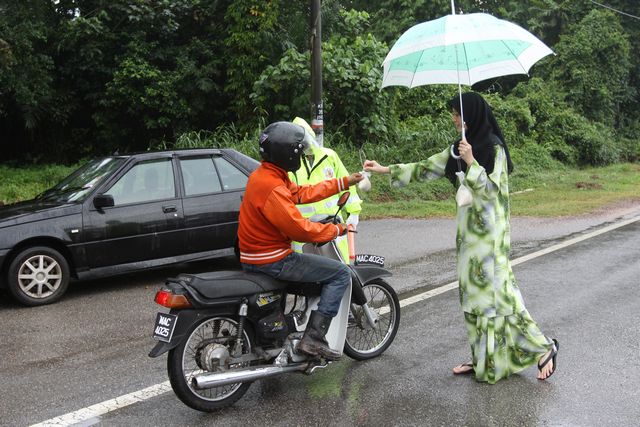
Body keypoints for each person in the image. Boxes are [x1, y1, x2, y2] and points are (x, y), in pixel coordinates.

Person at [363, 92, 558, 384]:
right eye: (453, 114)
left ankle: (542, 348)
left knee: (498, 299)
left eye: (458, 114)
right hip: (468, 238)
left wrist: (472, 162)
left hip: (490, 239)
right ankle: (482, 358)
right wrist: (384, 170)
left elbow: (491, 193)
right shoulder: (458, 148)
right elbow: (426, 167)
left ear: (471, 116)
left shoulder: (493, 148)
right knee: (473, 300)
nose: (454, 119)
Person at [238, 121, 363, 361]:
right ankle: (314, 338)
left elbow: (301, 193)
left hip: (255, 256)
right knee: (340, 273)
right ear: (287, 153)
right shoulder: (272, 187)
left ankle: (279, 336)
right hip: (273, 260)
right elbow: (301, 230)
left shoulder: (266, 175)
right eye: (298, 151)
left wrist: (343, 182)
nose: (301, 155)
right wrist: (335, 230)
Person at [288, 117, 363, 263]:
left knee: (341, 268)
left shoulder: (329, 156)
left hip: (332, 225)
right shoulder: (290, 164)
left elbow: (346, 184)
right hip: (305, 230)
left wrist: (354, 212)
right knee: (309, 271)